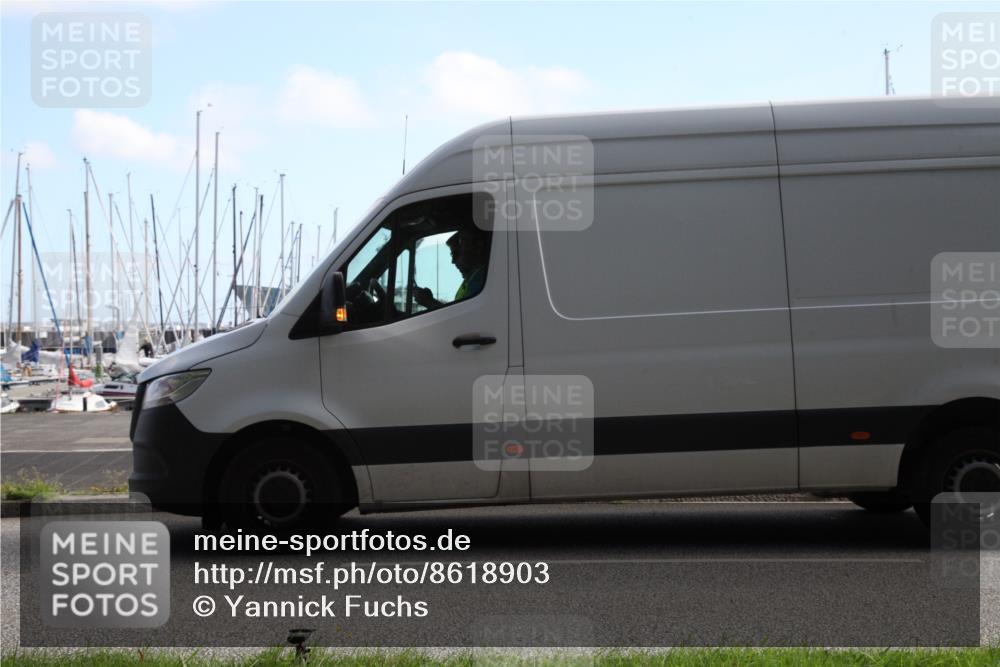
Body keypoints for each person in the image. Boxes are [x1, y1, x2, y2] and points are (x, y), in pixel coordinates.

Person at [414, 227, 489, 309]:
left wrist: (428, 301)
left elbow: (465, 319)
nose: (453, 261)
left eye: (456, 254)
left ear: (478, 246)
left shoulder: (481, 280)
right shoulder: (471, 280)